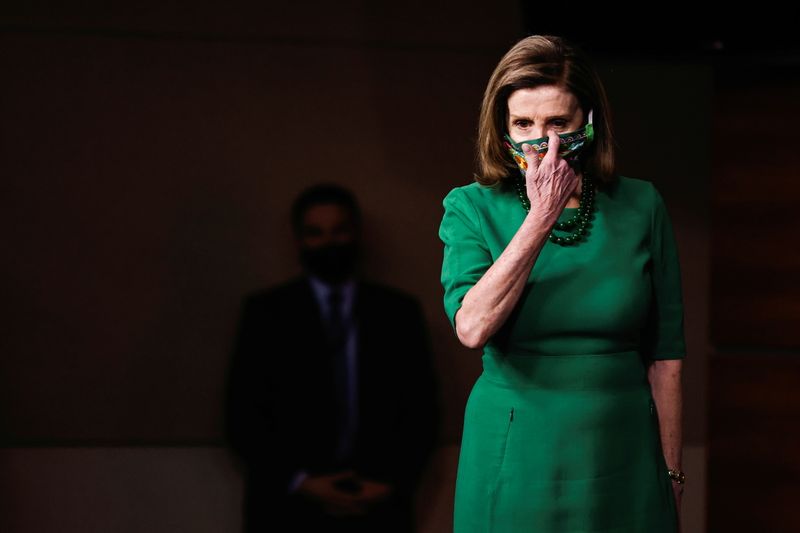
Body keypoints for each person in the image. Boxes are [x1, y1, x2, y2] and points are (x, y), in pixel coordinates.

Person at [438, 35, 686, 532]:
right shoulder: (471, 206)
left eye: (558, 123)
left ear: (589, 123)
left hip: (623, 445)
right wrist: (541, 217)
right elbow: (471, 326)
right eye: (523, 124)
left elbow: (667, 357)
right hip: (515, 445)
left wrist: (672, 473)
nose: (542, 141)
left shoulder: (642, 205)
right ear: (502, 128)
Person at [226, 183, 439, 533]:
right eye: (316, 233)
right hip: (286, 509)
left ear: (356, 234)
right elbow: (242, 414)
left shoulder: (398, 314)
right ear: (299, 240)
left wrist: (392, 482)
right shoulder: (266, 315)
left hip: (379, 507)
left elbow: (421, 408)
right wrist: (300, 481)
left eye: (339, 231)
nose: (329, 243)